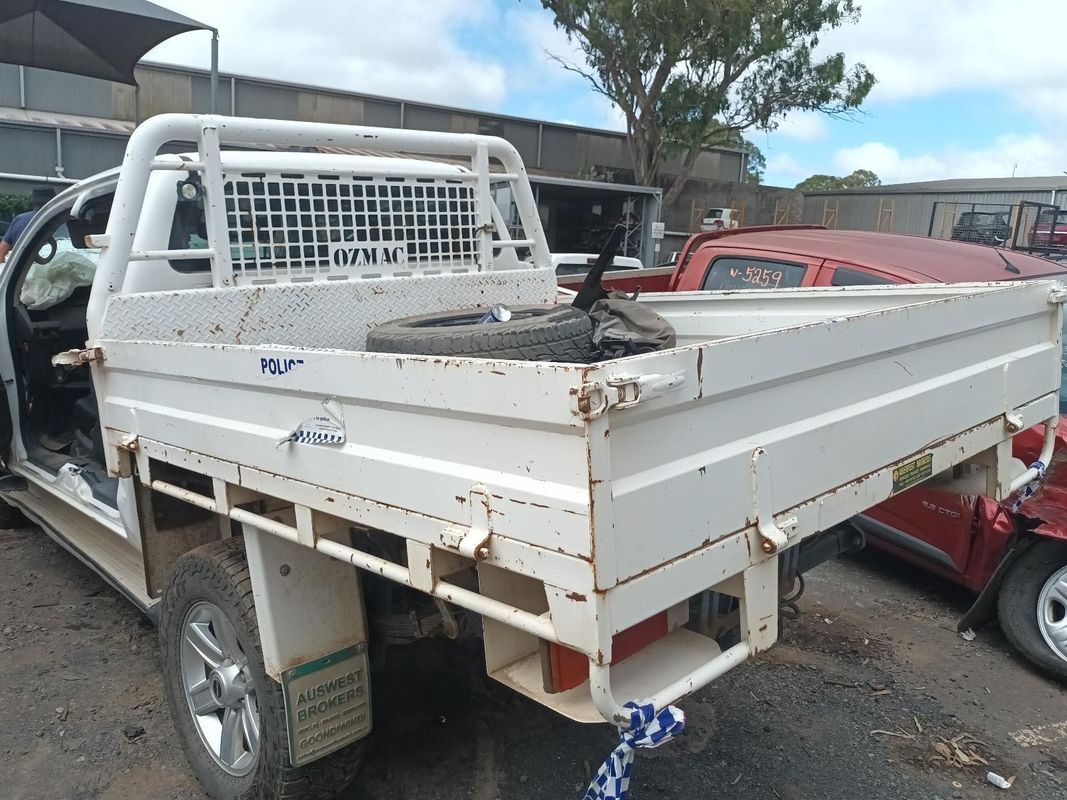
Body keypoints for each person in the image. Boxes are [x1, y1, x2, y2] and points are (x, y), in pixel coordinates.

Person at [0, 187, 56, 263]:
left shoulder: (19, 219)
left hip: (19, 267)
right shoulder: (58, 218)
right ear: (54, 202)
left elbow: (2, 249)